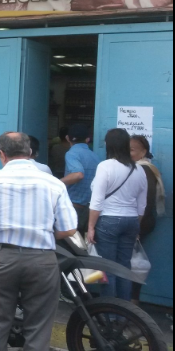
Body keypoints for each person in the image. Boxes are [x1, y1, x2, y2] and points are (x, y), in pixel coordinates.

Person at [0, 132, 78, 351]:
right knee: (38, 329)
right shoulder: (53, 183)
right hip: (41, 260)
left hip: (1, 258)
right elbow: (69, 228)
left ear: (2, 154)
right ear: (29, 152)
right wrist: (42, 232)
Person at [87, 128, 148, 301]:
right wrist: (136, 226)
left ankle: (110, 314)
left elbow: (97, 200)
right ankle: (125, 312)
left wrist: (91, 227)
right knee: (124, 268)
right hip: (131, 222)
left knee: (108, 269)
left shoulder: (105, 167)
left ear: (108, 145)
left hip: (108, 221)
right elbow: (141, 205)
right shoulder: (139, 169)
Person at [129, 135, 165, 304]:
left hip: (139, 223)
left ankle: (131, 304)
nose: (128, 153)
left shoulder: (143, 169)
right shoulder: (139, 168)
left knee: (132, 265)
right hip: (139, 222)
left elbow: (147, 202)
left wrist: (137, 227)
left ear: (143, 152)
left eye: (132, 150)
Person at [61, 124, 100, 235]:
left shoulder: (71, 154)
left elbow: (78, 174)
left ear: (67, 138)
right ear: (87, 139)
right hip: (89, 208)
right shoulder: (95, 156)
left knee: (71, 240)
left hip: (74, 207)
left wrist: (57, 182)